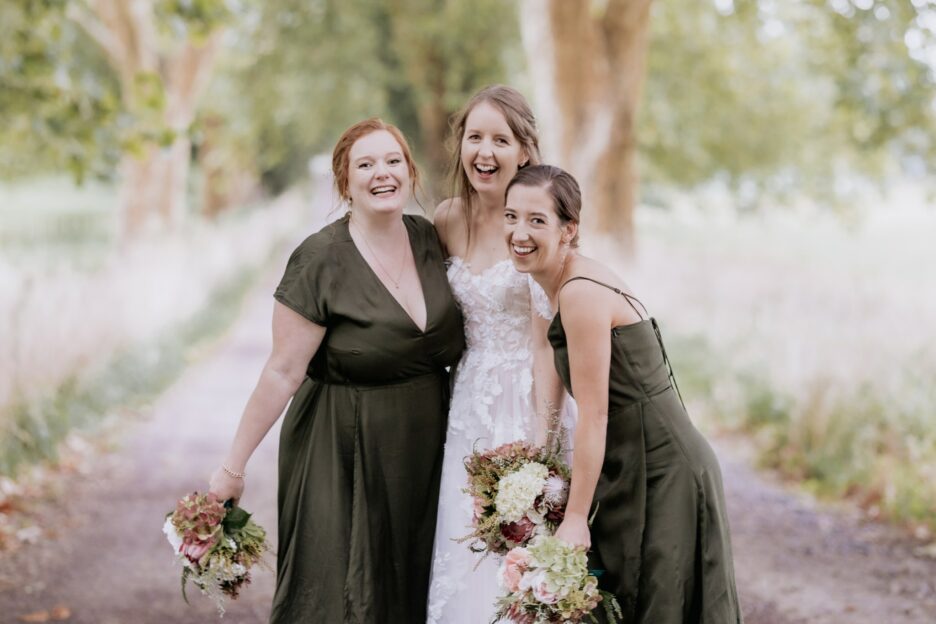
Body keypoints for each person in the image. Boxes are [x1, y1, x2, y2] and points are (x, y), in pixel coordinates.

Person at [208, 118, 465, 623]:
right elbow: (282, 371)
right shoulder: (320, 258)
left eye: (393, 161)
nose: (382, 174)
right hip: (340, 443)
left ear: (410, 172)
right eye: (364, 165)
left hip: (423, 444)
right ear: (345, 183)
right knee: (338, 591)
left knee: (411, 583)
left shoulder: (429, 239)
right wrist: (231, 469)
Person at [505, 164, 742, 623]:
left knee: (661, 605)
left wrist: (575, 519)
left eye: (537, 220)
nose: (519, 232)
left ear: (568, 229)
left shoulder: (578, 292)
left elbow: (595, 416)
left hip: (664, 469)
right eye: (511, 216)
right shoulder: (558, 283)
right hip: (632, 465)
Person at [427, 85, 575, 623]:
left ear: (525, 152)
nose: (484, 153)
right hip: (467, 404)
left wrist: (543, 445)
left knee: (527, 541)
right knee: (465, 544)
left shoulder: (536, 221)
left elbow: (544, 344)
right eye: (474, 138)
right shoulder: (446, 219)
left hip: (529, 398)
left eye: (500, 140)